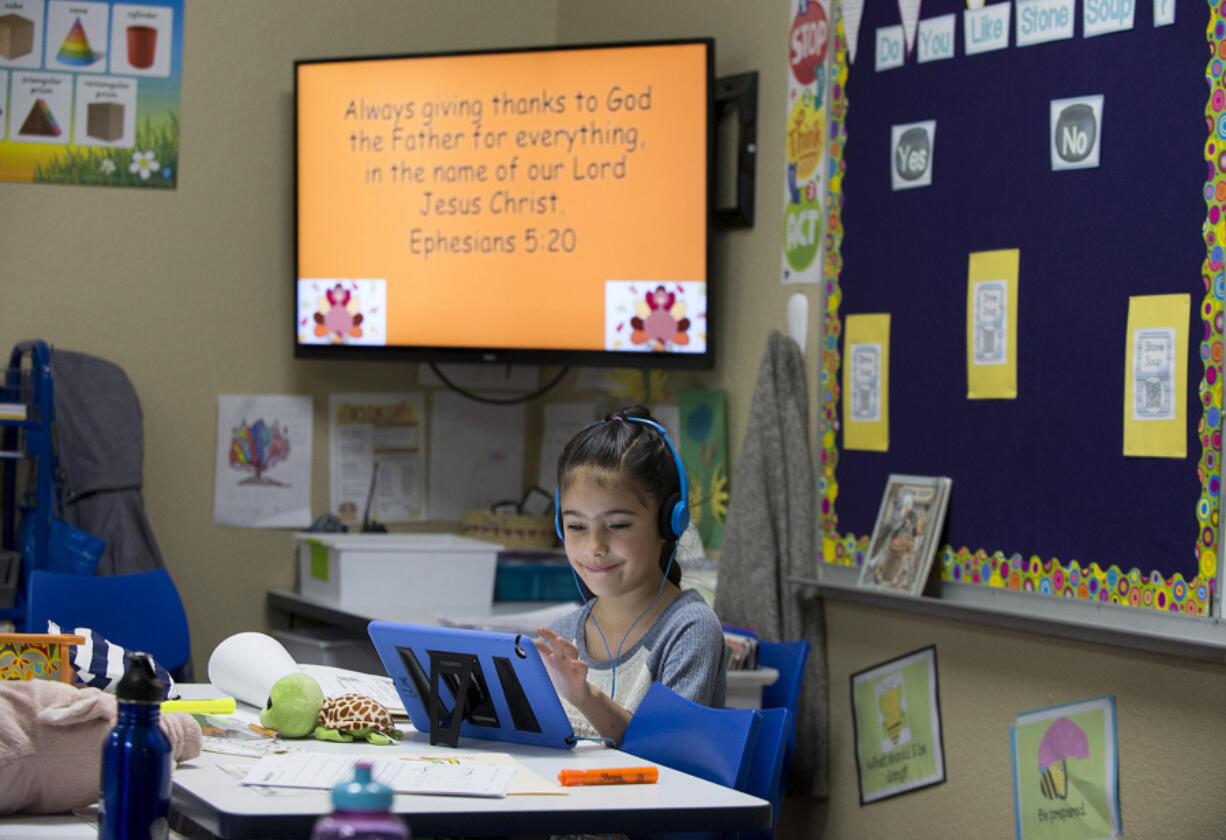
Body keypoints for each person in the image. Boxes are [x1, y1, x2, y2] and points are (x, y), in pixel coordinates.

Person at [535, 405, 726, 745]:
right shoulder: (566, 638)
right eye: (577, 526)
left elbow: (669, 754)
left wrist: (586, 698)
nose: (594, 546)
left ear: (670, 522)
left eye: (618, 525)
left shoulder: (689, 630)